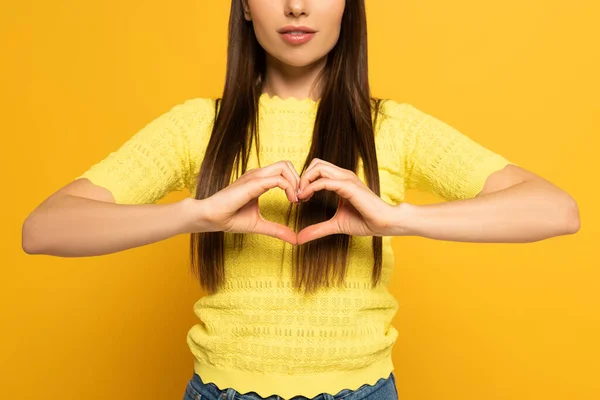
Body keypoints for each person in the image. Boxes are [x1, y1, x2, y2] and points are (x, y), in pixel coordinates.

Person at [21, 1, 581, 399]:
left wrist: (399, 218)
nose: (296, 6)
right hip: (222, 391)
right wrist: (195, 213)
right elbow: (43, 229)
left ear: (348, 7)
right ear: (243, 6)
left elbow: (556, 209)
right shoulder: (197, 127)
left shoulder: (393, 128)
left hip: (362, 393)